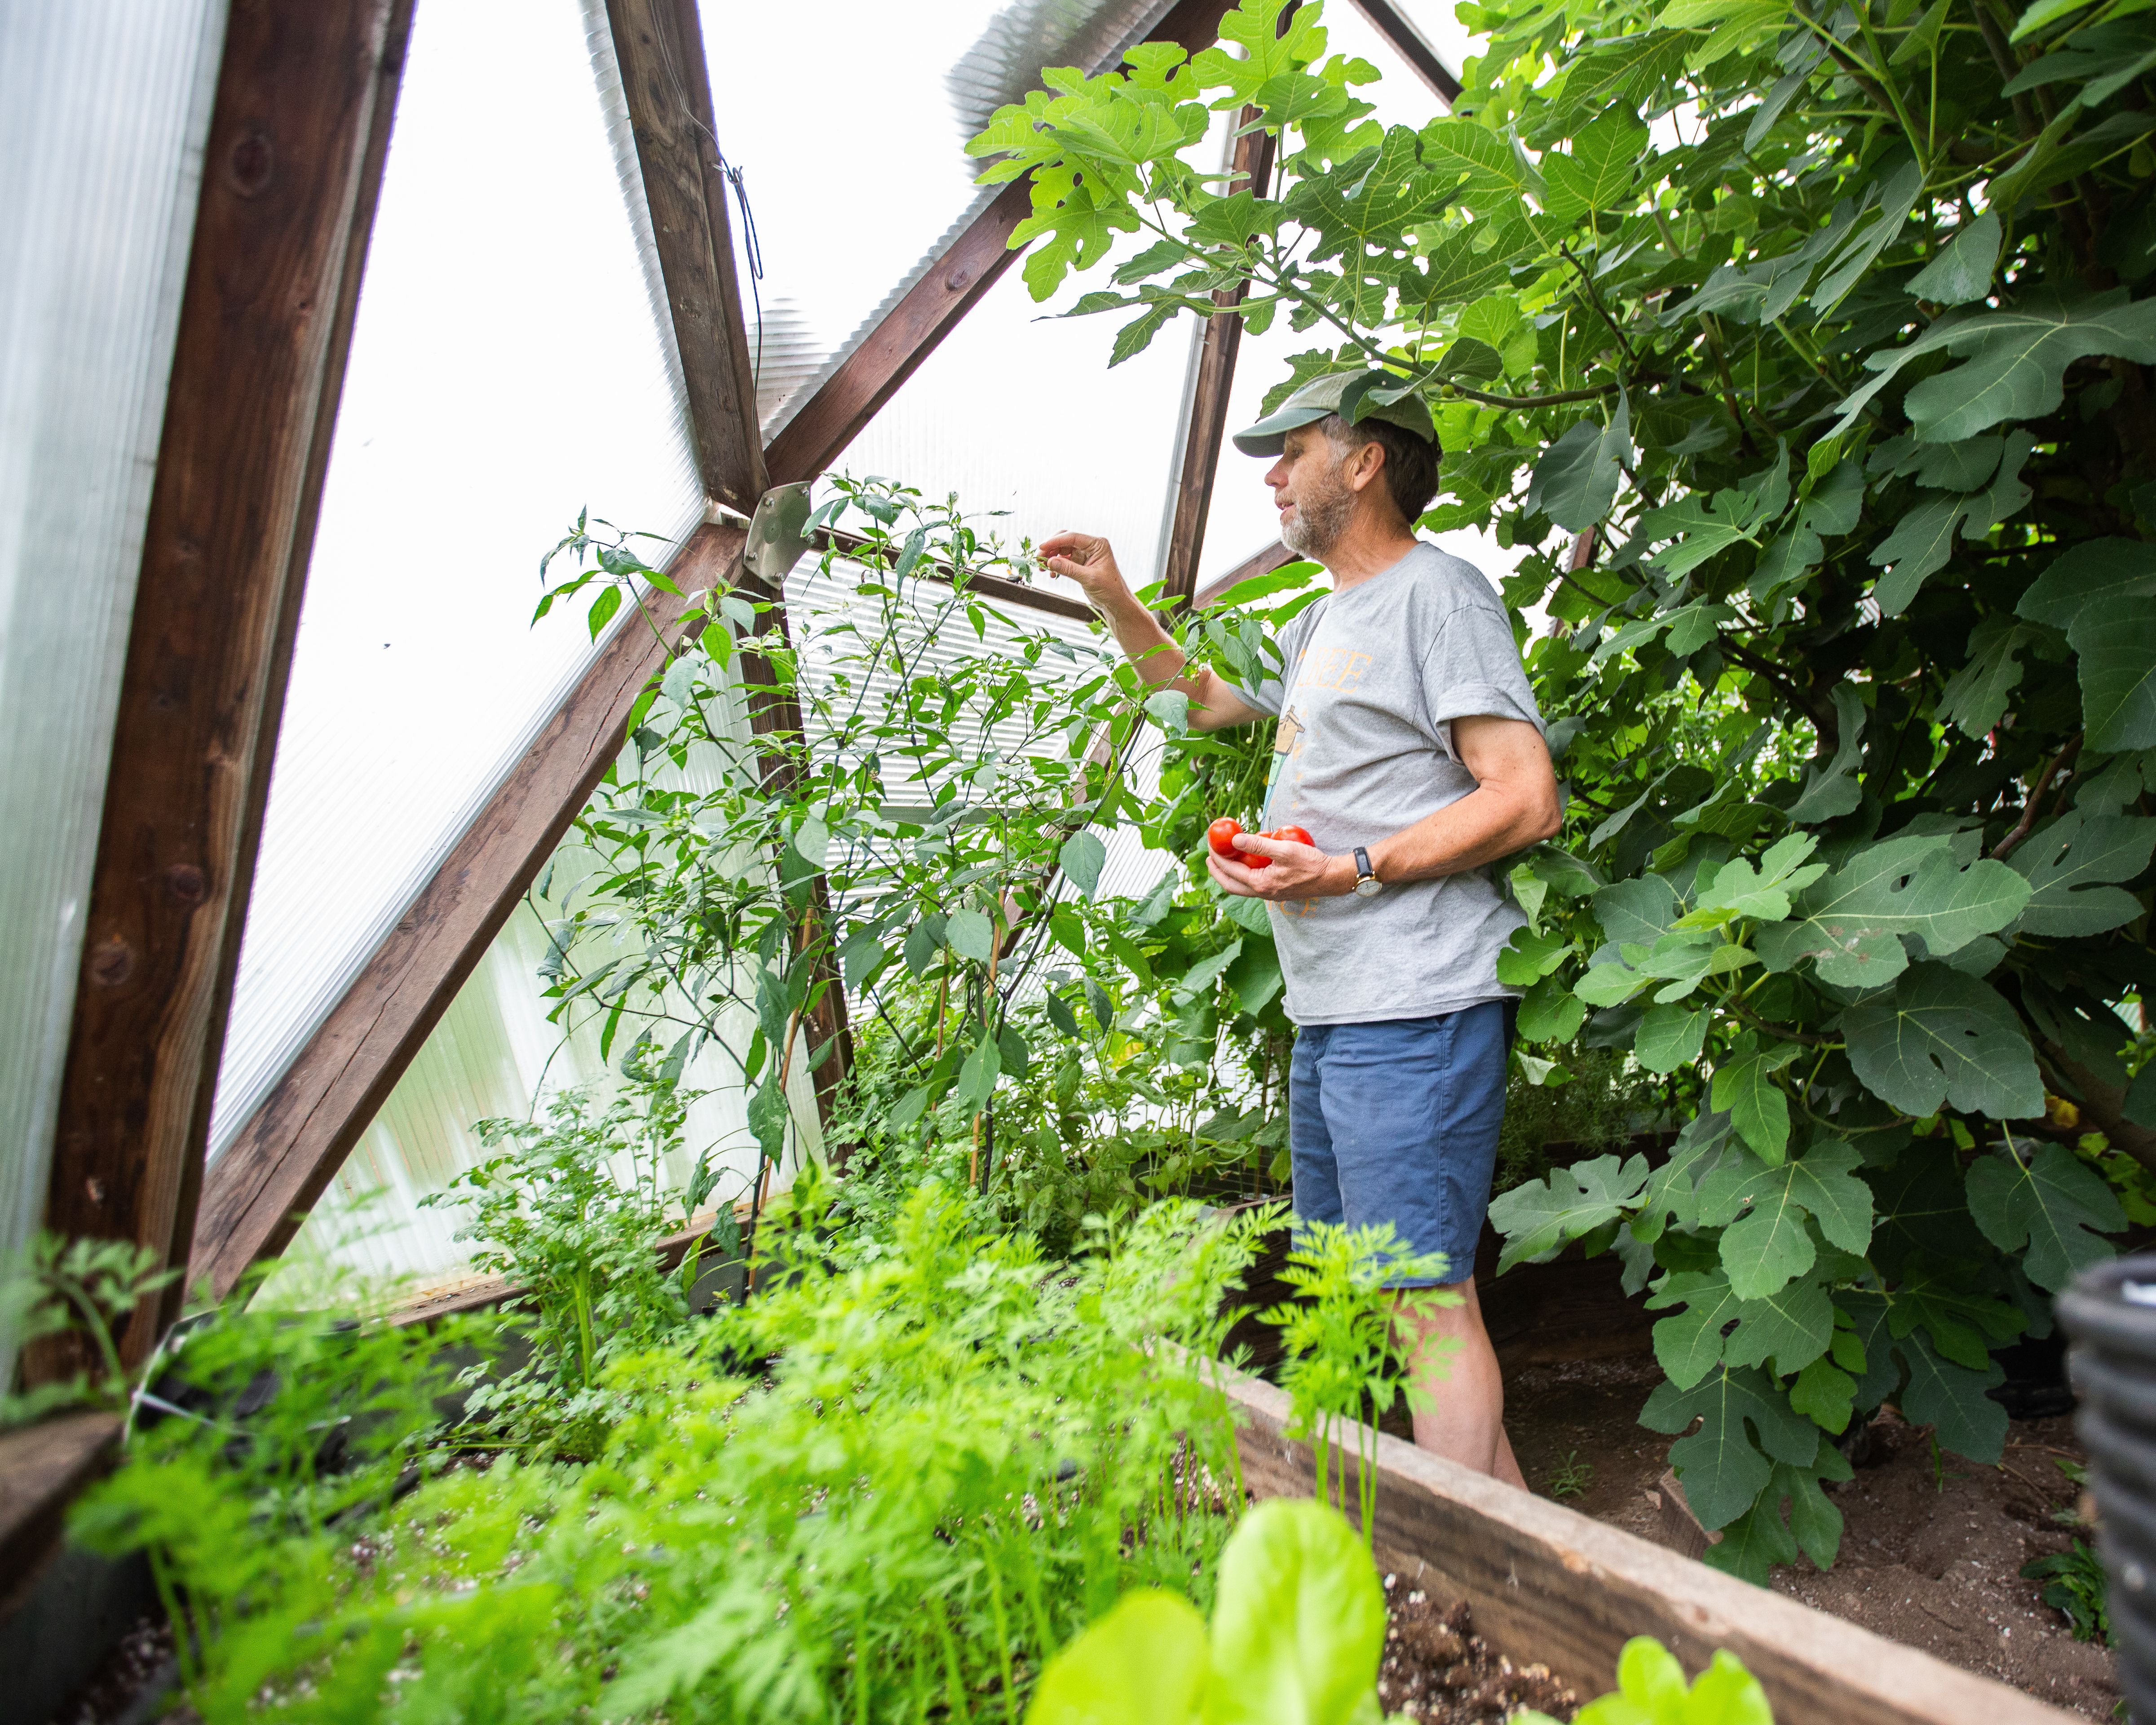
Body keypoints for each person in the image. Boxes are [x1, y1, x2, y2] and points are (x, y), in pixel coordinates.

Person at [1038, 370, 1561, 1487]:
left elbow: (1523, 794)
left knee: (1423, 1300)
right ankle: (1528, 1562)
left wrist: (1351, 866)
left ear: (1365, 462)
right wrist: (1115, 599)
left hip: (1414, 1006)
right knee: (1394, 1291)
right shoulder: (1327, 617)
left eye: (1293, 453)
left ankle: (1449, 1585)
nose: (1273, 476)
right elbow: (1201, 700)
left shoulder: (1440, 598)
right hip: (1338, 1012)